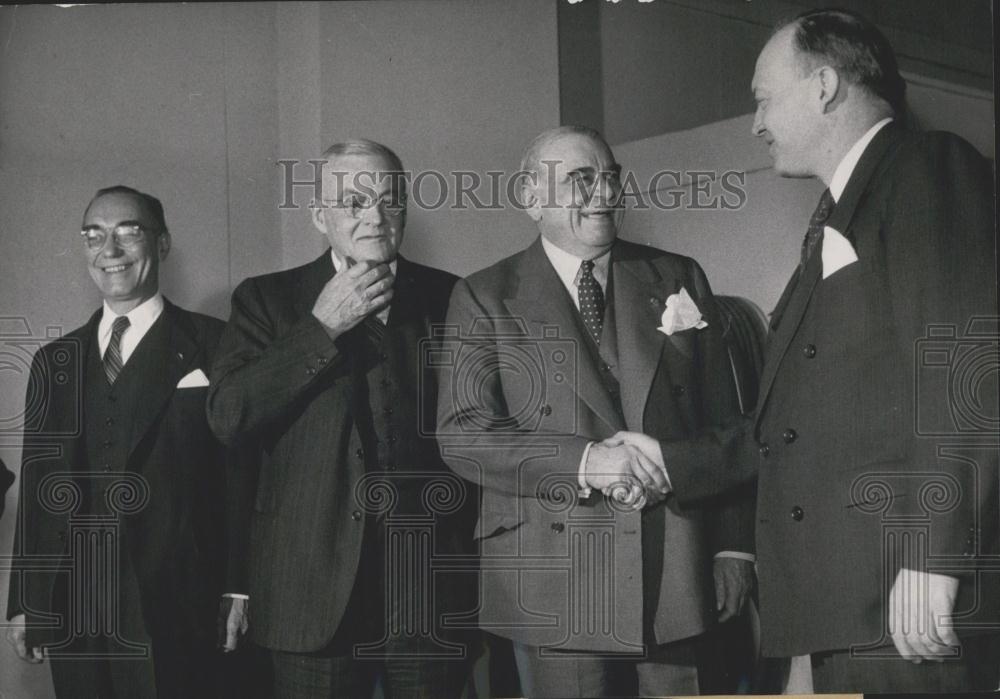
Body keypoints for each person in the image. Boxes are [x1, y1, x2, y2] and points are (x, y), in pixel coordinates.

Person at [436, 125, 755, 697]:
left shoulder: (678, 276)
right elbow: (465, 434)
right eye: (582, 179)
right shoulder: (483, 295)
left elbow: (727, 425)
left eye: (611, 177)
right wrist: (587, 462)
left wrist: (734, 545)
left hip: (675, 566)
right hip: (556, 575)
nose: (604, 192)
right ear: (531, 197)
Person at [746, 8, 999, 693]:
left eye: (764, 99)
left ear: (824, 85)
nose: (756, 123)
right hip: (851, 604)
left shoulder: (926, 166)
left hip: (905, 595)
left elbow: (966, 363)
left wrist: (933, 554)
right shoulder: (843, 206)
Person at [207, 139, 476, 698]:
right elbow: (229, 416)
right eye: (352, 201)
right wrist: (321, 327)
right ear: (318, 215)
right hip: (310, 590)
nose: (374, 217)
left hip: (428, 592)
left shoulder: (451, 296)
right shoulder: (267, 300)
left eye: (388, 200)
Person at [5, 186, 234, 697]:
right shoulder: (53, 361)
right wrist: (26, 600)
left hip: (176, 599)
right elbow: (40, 491)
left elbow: (242, 477)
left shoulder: (217, 344)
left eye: (128, 232)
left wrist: (238, 588)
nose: (109, 250)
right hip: (75, 602)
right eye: (94, 235)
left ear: (163, 243)